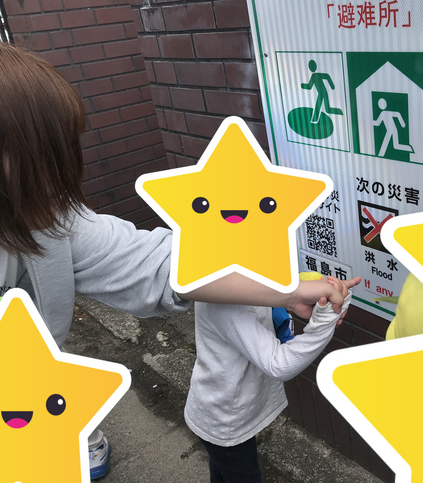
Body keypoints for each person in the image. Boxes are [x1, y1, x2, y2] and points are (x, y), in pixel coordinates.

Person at [0, 42, 353, 479]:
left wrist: (288, 288)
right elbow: (279, 362)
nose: (62, 177)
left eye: (62, 154)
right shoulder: (226, 311)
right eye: (40, 159)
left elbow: (172, 264)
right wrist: (318, 322)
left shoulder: (53, 220)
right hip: (223, 422)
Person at [185, 275, 357, 483]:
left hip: (221, 410)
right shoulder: (225, 305)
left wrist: (296, 297)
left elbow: (262, 297)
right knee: (243, 476)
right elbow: (278, 363)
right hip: (224, 422)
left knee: (223, 471)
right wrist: (326, 319)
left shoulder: (229, 282)